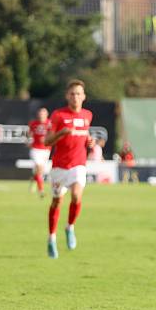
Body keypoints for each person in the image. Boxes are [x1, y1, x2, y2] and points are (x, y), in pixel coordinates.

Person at [44, 79, 95, 259]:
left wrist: (90, 142)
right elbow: (46, 141)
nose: (75, 97)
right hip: (59, 166)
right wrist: (61, 133)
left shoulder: (87, 115)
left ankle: (70, 227)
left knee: (76, 195)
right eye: (72, 94)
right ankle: (51, 238)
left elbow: (85, 137)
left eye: (78, 94)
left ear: (84, 97)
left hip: (78, 164)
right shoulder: (58, 115)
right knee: (57, 201)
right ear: (67, 96)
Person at [27, 107, 52, 197]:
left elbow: (53, 135)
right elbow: (28, 135)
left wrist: (47, 139)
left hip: (46, 150)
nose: (41, 115)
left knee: (39, 171)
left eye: (43, 114)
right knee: (39, 167)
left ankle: (33, 181)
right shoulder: (33, 123)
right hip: (35, 149)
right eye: (40, 113)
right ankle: (41, 190)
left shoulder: (50, 124)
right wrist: (28, 141)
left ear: (46, 115)